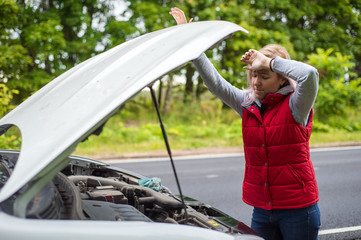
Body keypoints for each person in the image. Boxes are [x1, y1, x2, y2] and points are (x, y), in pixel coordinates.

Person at [169, 7, 321, 240]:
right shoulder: (247, 103)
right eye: (253, 74)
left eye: (264, 75)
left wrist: (269, 62)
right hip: (261, 209)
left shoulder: (297, 104)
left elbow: (309, 74)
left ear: (281, 77)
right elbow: (216, 84)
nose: (256, 82)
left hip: (298, 209)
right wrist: (191, 43)